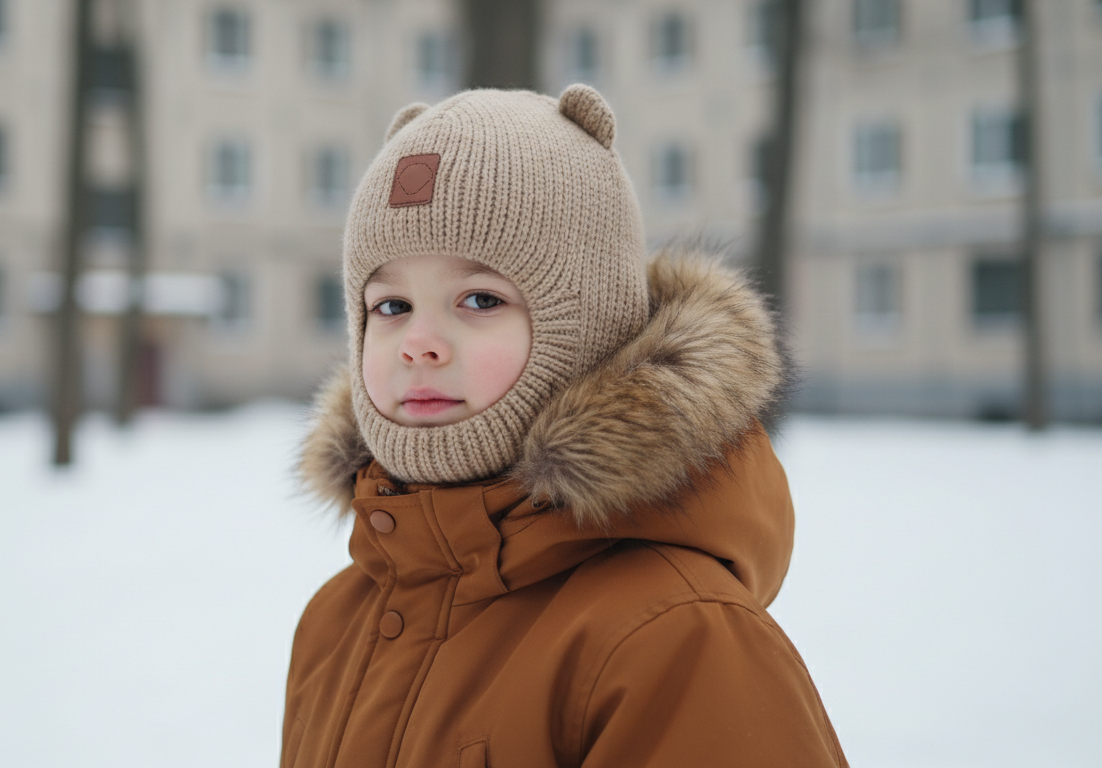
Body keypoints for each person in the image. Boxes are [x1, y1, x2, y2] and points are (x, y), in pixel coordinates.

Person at [284, 85, 847, 768]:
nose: (419, 343)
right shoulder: (337, 625)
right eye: (392, 305)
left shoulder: (675, 638)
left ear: (583, 328)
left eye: (480, 299)